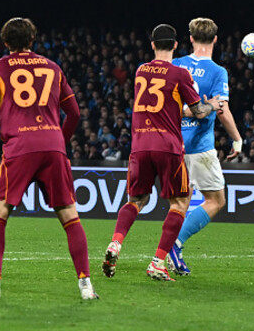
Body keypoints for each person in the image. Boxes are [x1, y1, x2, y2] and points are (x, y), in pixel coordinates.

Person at [0, 17, 97, 300]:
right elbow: (75, 113)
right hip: (53, 145)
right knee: (69, 215)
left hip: (19, 146)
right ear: (32, 40)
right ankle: (86, 287)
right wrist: (59, 142)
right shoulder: (53, 68)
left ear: (5, 42)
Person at [101, 24, 219, 282]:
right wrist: (212, 105)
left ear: (152, 44)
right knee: (180, 202)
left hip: (140, 145)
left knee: (136, 200)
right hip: (168, 146)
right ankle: (157, 262)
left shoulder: (141, 71)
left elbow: (165, 106)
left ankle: (115, 243)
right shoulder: (180, 74)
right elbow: (198, 112)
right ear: (176, 45)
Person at [167, 17, 243, 276]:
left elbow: (167, 104)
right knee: (216, 200)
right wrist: (237, 139)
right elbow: (222, 110)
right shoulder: (218, 72)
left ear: (190, 38)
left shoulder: (176, 64)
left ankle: (165, 253)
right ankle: (175, 244)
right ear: (215, 39)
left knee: (180, 203)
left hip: (174, 144)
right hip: (200, 147)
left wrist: (185, 111)